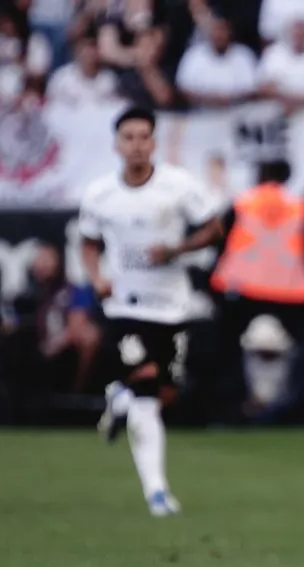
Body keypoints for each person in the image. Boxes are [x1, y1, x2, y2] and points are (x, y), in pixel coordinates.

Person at [79, 106, 225, 517]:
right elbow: (88, 242)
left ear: (154, 142)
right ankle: (157, 492)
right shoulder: (100, 194)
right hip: (126, 306)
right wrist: (96, 277)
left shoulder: (179, 186)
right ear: (116, 144)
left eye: (144, 137)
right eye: (129, 137)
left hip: (171, 307)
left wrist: (177, 249)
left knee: (162, 395)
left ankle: (119, 400)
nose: (137, 146)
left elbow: (214, 228)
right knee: (146, 389)